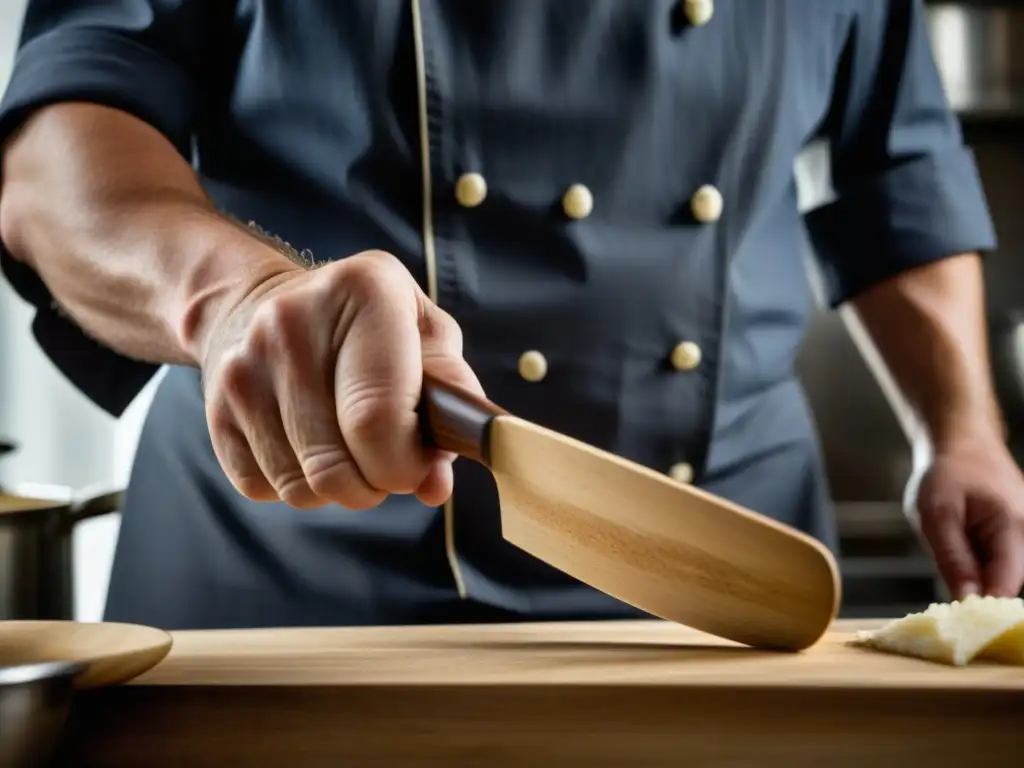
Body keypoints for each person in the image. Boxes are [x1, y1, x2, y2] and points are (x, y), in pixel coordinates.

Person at [0, 0, 1021, 631]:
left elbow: (896, 162)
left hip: (727, 582)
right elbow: (58, 156)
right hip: (298, 580)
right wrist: (237, 298)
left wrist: (962, 432)